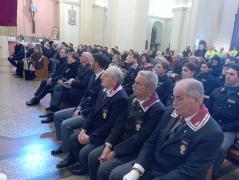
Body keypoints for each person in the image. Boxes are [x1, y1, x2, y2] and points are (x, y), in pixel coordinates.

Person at [110, 78, 223, 180]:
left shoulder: (211, 133)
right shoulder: (170, 112)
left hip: (173, 174)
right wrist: (137, 169)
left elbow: (189, 172)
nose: (174, 103)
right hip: (151, 166)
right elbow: (151, 142)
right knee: (115, 174)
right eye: (173, 97)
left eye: (179, 98)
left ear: (196, 99)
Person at [88, 71, 165, 180]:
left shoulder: (157, 109)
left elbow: (140, 138)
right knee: (93, 157)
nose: (133, 85)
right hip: (120, 142)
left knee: (105, 169)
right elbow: (119, 124)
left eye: (138, 83)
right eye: (134, 82)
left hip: (133, 150)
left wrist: (115, 152)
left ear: (149, 88)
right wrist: (108, 145)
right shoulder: (132, 98)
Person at [56, 66, 129, 175]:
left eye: (106, 75)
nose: (101, 77)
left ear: (114, 81)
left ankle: (86, 167)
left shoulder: (121, 98)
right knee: (73, 139)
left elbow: (110, 125)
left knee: (85, 153)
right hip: (94, 129)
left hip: (103, 135)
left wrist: (91, 137)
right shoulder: (104, 90)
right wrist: (84, 128)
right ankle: (80, 163)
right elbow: (94, 111)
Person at [51, 53, 108, 155]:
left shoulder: (104, 79)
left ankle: (67, 152)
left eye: (92, 61)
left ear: (97, 64)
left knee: (65, 124)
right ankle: (65, 143)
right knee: (57, 116)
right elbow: (86, 94)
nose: (90, 63)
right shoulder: (94, 76)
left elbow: (97, 105)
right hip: (82, 108)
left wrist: (81, 111)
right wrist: (79, 107)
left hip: (89, 114)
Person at [208, 64, 239, 178]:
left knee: (219, 148)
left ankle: (211, 175)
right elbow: (206, 110)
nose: (227, 76)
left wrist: (222, 128)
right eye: (227, 73)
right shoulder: (217, 91)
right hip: (211, 125)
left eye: (231, 74)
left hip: (229, 130)